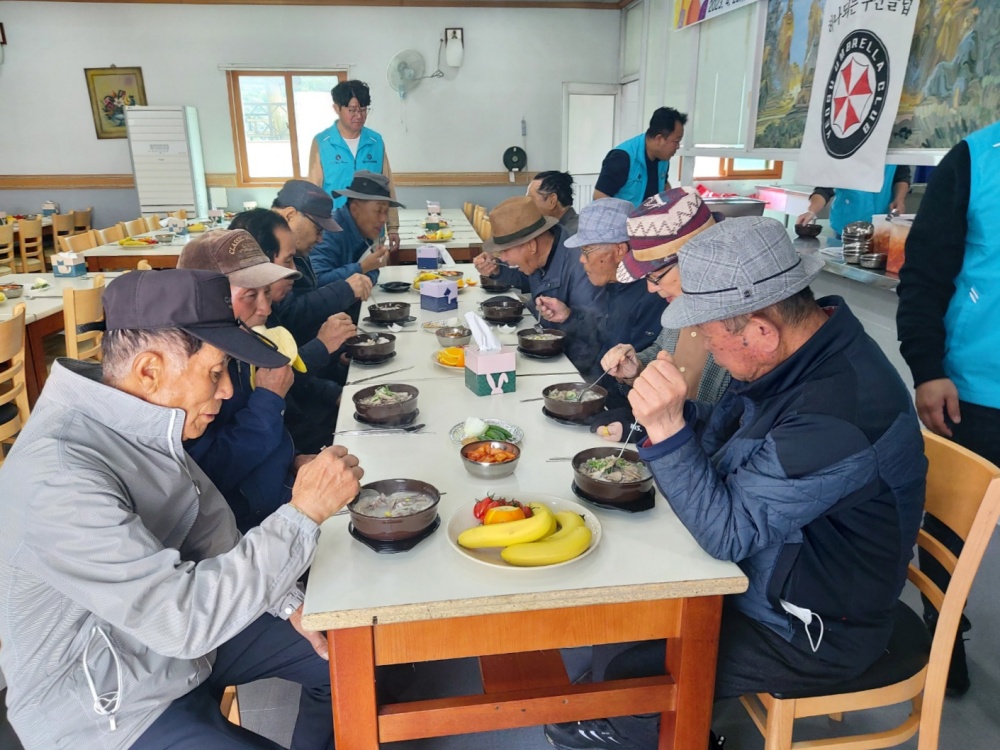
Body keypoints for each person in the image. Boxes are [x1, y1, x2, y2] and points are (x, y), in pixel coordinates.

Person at [544, 217, 926, 750]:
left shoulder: (837, 414)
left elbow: (727, 534)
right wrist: (675, 411)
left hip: (816, 625)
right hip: (779, 570)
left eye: (709, 334)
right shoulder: (806, 353)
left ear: (761, 331)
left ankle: (659, 729)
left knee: (634, 661)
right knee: (618, 607)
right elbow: (731, 435)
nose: (702, 343)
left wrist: (665, 428)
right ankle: (639, 711)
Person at [0, 268, 364, 749]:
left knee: (344, 655)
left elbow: (213, 536)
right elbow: (181, 622)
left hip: (170, 645)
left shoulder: (138, 417)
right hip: (105, 705)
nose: (229, 391)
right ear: (150, 370)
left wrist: (290, 602)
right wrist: (304, 513)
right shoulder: (60, 474)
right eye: (216, 374)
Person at [895, 119, 1000, 697]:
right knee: (951, 533)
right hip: (976, 392)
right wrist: (928, 368)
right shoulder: (976, 159)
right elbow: (925, 275)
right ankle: (943, 631)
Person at [177, 228, 308, 533]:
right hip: (248, 528)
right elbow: (211, 473)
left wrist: (292, 463)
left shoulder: (241, 340)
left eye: (266, 292)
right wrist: (268, 399)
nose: (265, 307)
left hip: (281, 488)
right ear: (204, 299)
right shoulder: (190, 368)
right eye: (250, 295)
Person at [592, 187, 732, 443]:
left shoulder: (737, 319)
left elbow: (735, 421)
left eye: (656, 277)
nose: (650, 288)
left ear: (695, 262)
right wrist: (636, 369)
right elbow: (664, 348)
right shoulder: (681, 301)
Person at [231, 208, 357, 453]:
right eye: (288, 261)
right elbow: (281, 381)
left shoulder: (269, 308)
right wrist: (322, 346)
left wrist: (336, 376)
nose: (294, 274)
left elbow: (293, 377)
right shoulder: (238, 326)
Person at [538, 197, 665, 394]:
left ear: (619, 250)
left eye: (586, 251)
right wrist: (568, 316)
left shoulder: (651, 297)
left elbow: (629, 376)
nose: (581, 259)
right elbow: (598, 338)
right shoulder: (613, 284)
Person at [472, 196, 604, 376]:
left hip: (574, 366)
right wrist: (496, 270)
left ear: (531, 245)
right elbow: (527, 278)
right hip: (547, 347)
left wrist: (567, 316)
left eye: (505, 251)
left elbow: (593, 335)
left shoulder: (581, 267)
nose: (503, 258)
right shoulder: (545, 251)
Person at [271, 179, 373, 343]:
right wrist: (344, 290)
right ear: (290, 215)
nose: (320, 239)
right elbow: (287, 318)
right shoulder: (261, 249)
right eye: (318, 230)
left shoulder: (298, 252)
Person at [307, 79, 401, 252]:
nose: (359, 115)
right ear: (337, 108)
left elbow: (388, 184)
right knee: (338, 276)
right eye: (352, 110)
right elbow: (314, 190)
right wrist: (314, 229)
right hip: (334, 228)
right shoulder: (323, 142)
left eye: (363, 110)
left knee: (371, 273)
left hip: (372, 227)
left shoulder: (375, 141)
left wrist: (393, 226)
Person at [310, 170, 405, 286]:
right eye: (379, 211)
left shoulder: (365, 231)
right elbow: (316, 281)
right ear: (355, 209)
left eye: (386, 212)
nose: (383, 219)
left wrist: (370, 266)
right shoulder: (329, 231)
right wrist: (363, 267)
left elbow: (371, 274)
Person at [593, 107, 687, 206]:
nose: (678, 147)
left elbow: (664, 184)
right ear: (659, 139)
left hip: (648, 219)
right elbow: (599, 196)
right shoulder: (622, 158)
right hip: (620, 220)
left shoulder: (663, 158)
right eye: (676, 141)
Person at [795, 166, 911, 236]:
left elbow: (901, 176)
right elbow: (824, 188)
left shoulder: (894, 146)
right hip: (848, 224)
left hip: (883, 223)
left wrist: (899, 199)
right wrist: (811, 211)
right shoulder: (846, 147)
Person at [527, 170, 579, 235]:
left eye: (531, 200)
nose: (527, 206)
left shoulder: (571, 234)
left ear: (552, 201)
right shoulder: (553, 228)